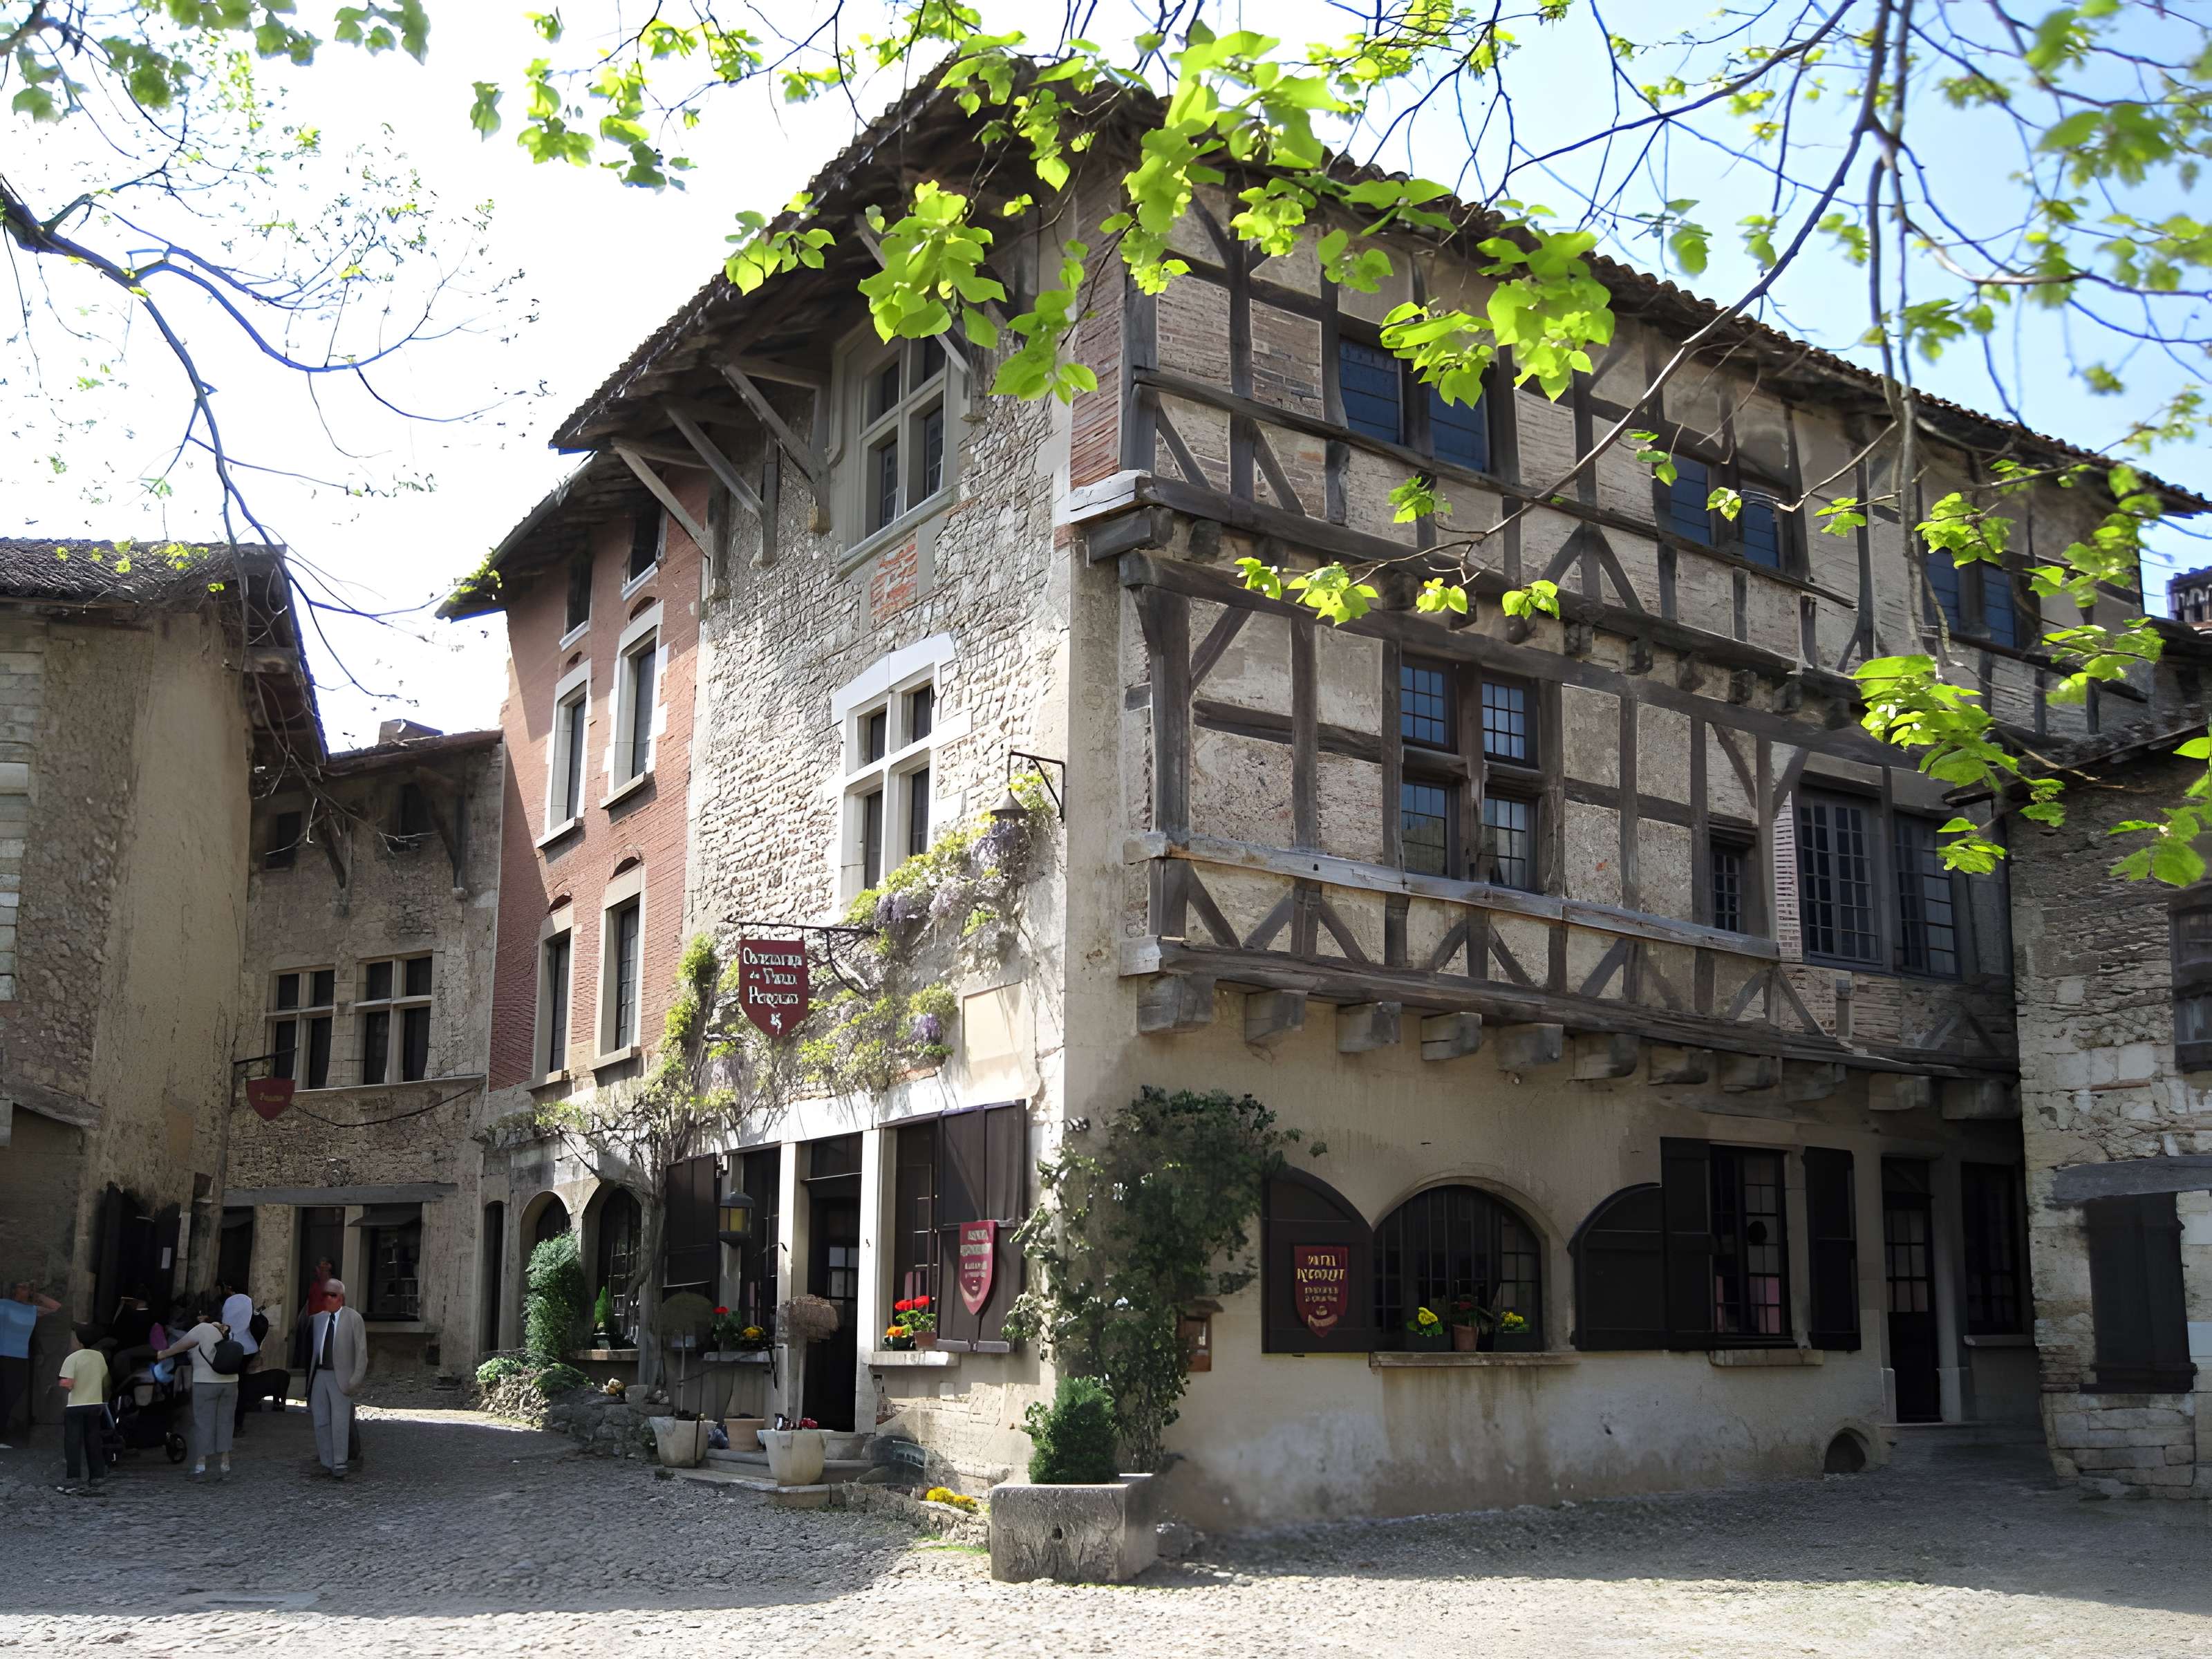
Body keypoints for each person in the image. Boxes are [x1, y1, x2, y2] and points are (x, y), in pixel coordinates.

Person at [156, 1300, 237, 1481]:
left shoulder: (201, 1329)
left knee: (203, 1424)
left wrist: (162, 1354)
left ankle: (201, 1468)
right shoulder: (227, 1330)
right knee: (225, 1422)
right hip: (230, 1383)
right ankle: (225, 1467)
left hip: (206, 1382)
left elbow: (181, 1346)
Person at [304, 1277, 367, 1480]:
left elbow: (361, 1352)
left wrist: (355, 1381)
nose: (327, 1299)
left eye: (331, 1295)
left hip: (341, 1377)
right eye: (325, 1295)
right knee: (321, 1420)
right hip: (320, 1375)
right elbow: (311, 1352)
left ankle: (340, 1462)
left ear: (341, 1298)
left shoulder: (353, 1318)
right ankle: (326, 1461)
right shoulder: (318, 1319)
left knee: (340, 1421)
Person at [0, 1280, 63, 1450]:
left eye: (28, 1287)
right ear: (13, 1289)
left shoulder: (31, 1310)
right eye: (21, 1286)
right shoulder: (4, 1305)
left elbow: (58, 1308)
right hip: (3, 1354)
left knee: (12, 1393)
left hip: (19, 1357)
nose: (25, 1290)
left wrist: (38, 1296)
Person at [55, 1323, 109, 1494]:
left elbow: (68, 1383)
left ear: (78, 1342)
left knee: (73, 1441)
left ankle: (73, 1478)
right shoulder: (99, 1357)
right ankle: (97, 1476)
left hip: (76, 1405)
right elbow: (103, 1375)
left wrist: (60, 1382)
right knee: (93, 1439)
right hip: (95, 1404)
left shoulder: (72, 1358)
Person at [218, 1280, 259, 1433]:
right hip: (248, 1347)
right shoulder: (248, 1300)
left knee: (228, 1385)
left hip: (231, 1346)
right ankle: (238, 1424)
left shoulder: (230, 1301)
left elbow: (226, 1322)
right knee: (241, 1386)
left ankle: (226, 1422)